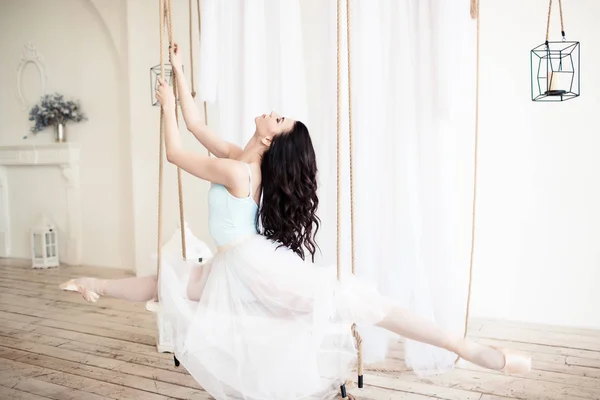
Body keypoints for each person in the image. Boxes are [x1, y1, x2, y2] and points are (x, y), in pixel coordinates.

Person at [59, 43, 531, 400]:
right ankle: (95, 284)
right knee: (167, 282)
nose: (271, 112)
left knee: (363, 303)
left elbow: (176, 150)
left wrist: (163, 107)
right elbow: (197, 126)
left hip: (253, 266)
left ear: (270, 139)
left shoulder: (238, 172)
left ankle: (474, 352)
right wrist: (179, 76)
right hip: (235, 263)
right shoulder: (239, 158)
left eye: (278, 119)